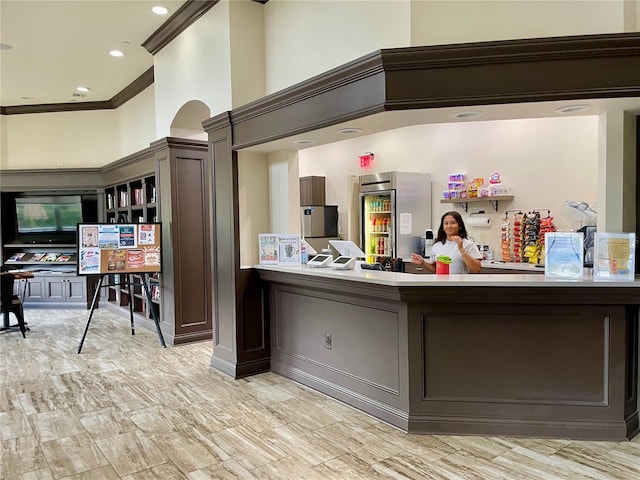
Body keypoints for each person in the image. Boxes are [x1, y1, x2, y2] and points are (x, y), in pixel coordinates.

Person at [411, 211, 483, 273]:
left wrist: (461, 249)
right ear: (443, 227)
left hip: (460, 286)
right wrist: (422, 262)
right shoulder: (437, 246)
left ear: (460, 226)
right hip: (441, 286)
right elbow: (436, 268)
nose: (449, 226)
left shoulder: (468, 244)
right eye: (446, 223)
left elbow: (476, 269)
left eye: (453, 223)